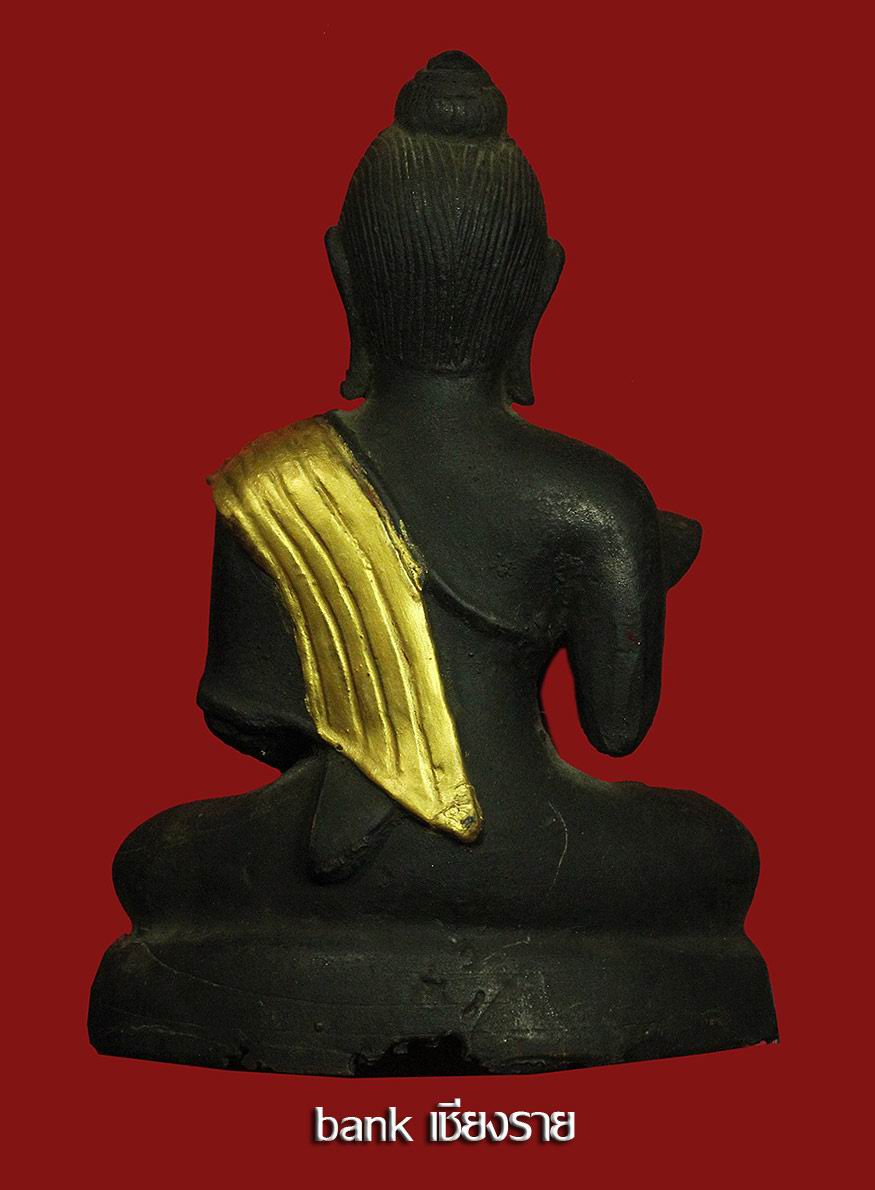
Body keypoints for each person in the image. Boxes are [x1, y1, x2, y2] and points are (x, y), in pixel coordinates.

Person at [91, 52, 776, 1075]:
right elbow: (617, 724)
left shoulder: (273, 478)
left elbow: (252, 717)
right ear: (539, 287)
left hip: (323, 860)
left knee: (155, 859)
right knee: (716, 850)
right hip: (536, 855)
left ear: (343, 275)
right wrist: (623, 571)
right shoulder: (593, 495)